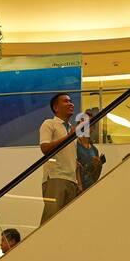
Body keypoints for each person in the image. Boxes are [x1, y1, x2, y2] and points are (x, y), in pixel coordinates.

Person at [38, 93, 81, 224]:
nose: (71, 104)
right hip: (55, 178)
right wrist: (69, 136)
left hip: (71, 181)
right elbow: (44, 148)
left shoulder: (70, 130)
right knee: (51, 221)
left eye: (71, 101)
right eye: (66, 101)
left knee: (66, 223)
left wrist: (79, 183)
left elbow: (75, 162)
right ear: (56, 108)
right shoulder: (49, 123)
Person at [76, 108, 105, 191]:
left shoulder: (94, 150)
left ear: (93, 128)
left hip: (91, 189)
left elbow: (95, 176)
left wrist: (98, 166)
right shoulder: (74, 146)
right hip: (77, 189)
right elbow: (75, 167)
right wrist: (79, 185)